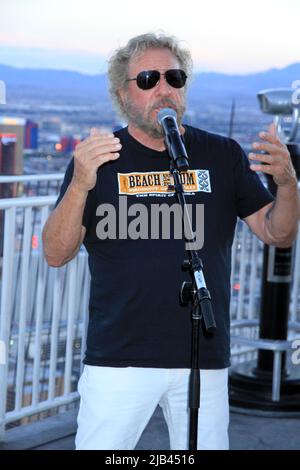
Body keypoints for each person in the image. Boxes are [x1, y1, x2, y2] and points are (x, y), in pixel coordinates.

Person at [42, 32, 300, 450]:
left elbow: (277, 231)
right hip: (118, 358)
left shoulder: (222, 154)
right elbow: (56, 253)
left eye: (174, 78)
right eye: (147, 79)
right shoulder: (99, 158)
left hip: (203, 358)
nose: (163, 88)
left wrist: (287, 183)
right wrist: (80, 184)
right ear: (123, 95)